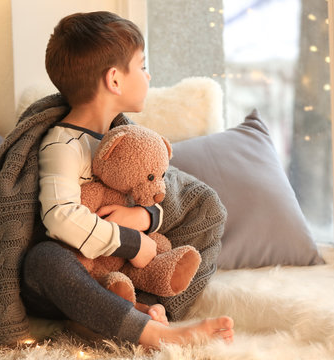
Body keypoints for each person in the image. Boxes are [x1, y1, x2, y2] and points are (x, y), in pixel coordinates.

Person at [19, 11, 234, 348]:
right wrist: (131, 241)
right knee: (45, 259)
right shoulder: (63, 144)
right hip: (68, 275)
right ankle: (156, 334)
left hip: (121, 271)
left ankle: (146, 309)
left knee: (205, 208)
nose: (148, 76)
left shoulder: (125, 138)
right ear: (115, 80)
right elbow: (59, 217)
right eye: (142, 66)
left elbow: (157, 192)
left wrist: (146, 216)